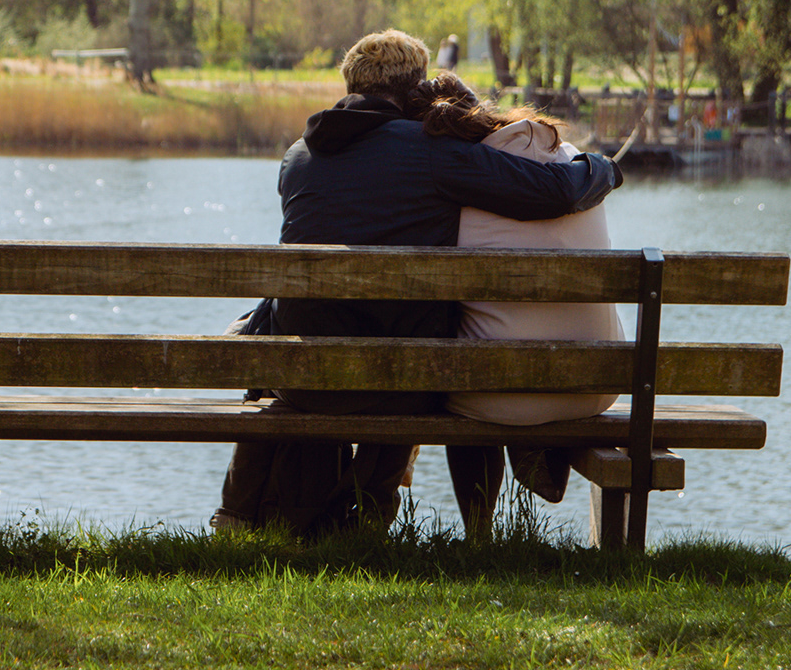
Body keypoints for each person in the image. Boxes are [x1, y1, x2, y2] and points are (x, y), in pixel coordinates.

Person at [213, 30, 622, 536]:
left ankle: (242, 513)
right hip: (402, 378)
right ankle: (368, 515)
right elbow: (549, 191)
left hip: (303, 379)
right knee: (413, 344)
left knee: (271, 319)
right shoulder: (430, 152)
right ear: (413, 91)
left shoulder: (298, 156)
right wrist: (603, 168)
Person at [405, 73, 622, 535]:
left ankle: (480, 535)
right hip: (597, 385)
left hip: (500, 394)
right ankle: (535, 454)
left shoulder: (462, 187)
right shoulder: (569, 161)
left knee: (460, 367)